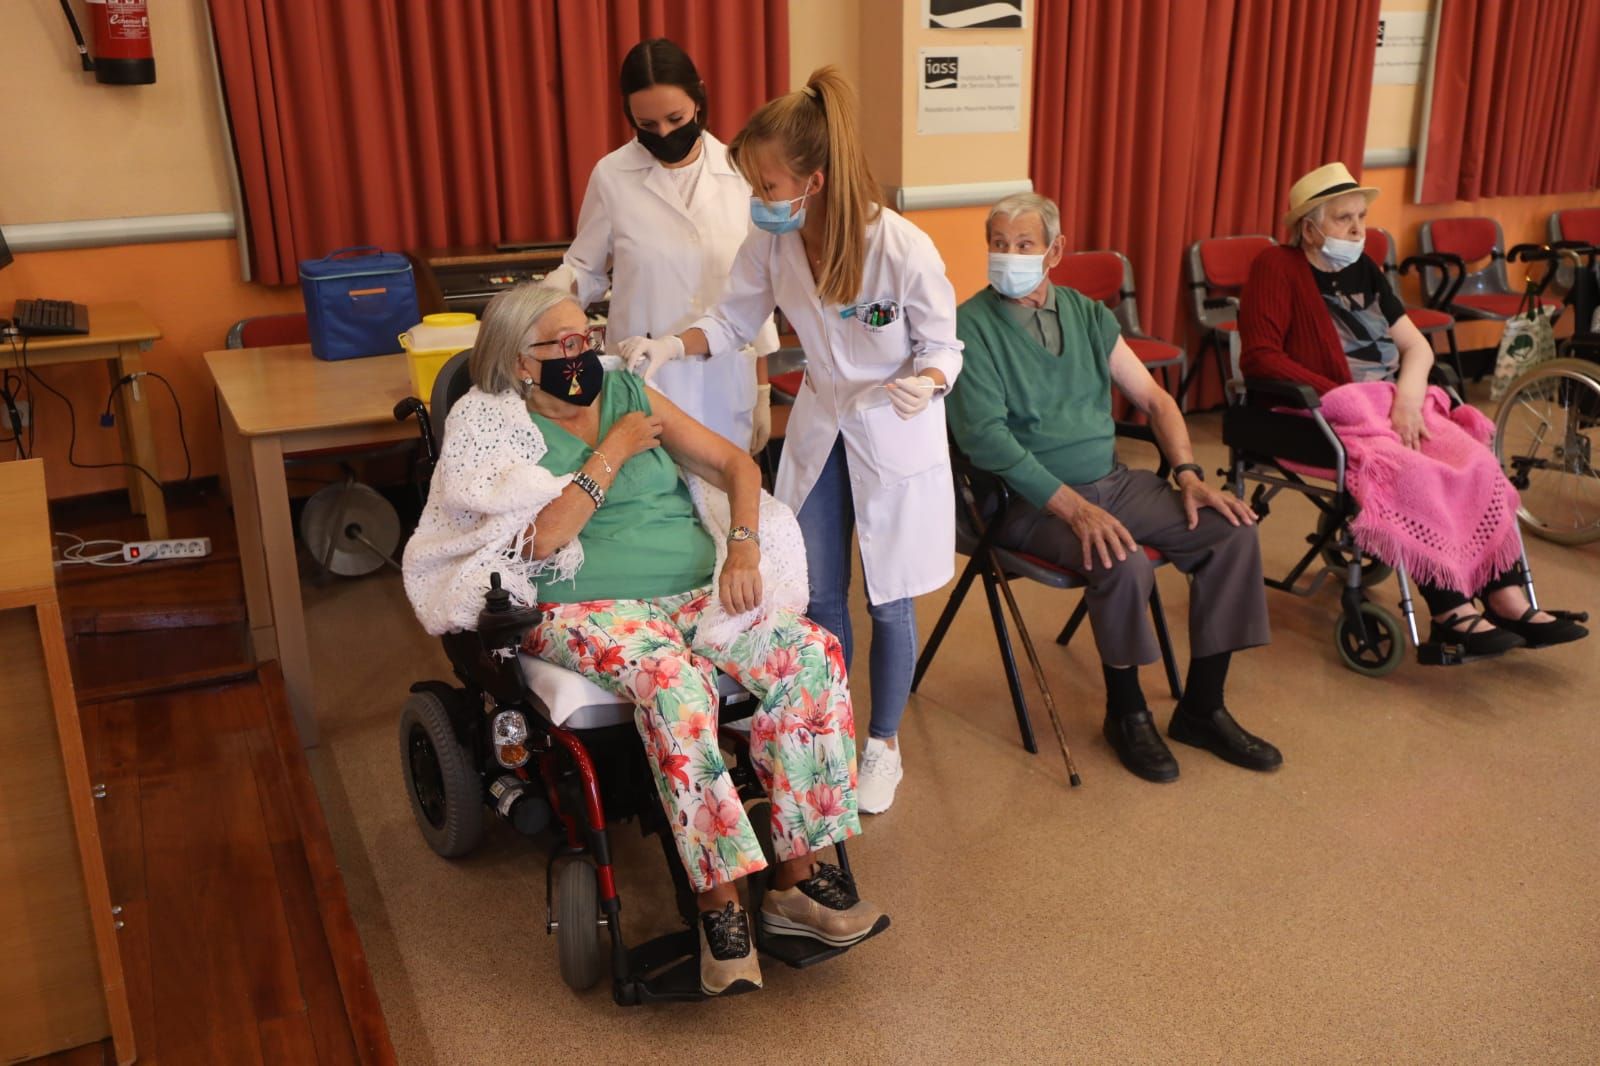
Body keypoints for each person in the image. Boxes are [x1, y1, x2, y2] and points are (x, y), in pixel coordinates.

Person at [401, 284, 883, 997]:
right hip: (587, 607)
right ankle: (720, 909)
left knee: (811, 654)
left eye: (586, 338)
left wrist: (744, 547)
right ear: (518, 363)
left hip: (696, 591)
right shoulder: (488, 423)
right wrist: (613, 453)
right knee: (675, 684)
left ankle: (794, 882)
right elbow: (540, 541)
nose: (582, 355)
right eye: (561, 346)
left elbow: (737, 465)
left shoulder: (629, 390)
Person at [615, 67, 963, 814]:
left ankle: (883, 745)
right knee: (817, 592)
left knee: (890, 598)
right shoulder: (773, 242)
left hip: (894, 431)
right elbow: (734, 321)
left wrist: (928, 380)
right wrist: (670, 346)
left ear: (816, 180)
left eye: (768, 186)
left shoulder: (899, 247)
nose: (758, 200)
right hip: (824, 424)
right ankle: (828, 727)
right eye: (753, 185)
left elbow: (946, 344)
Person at [947, 192, 1282, 784]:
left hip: (1113, 482)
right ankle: (1126, 713)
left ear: (1055, 251)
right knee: (1117, 555)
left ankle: (1203, 708)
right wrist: (1075, 510)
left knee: (1230, 531)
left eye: (1023, 245)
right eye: (997, 245)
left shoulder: (1086, 313)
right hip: (1023, 502)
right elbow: (988, 443)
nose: (1007, 257)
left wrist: (1187, 474)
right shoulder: (968, 326)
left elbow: (1153, 399)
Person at [1239, 161, 1588, 657]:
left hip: (1392, 404)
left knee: (1478, 463)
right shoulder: (1275, 267)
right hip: (1322, 412)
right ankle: (1450, 610)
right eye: (1344, 219)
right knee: (1415, 472)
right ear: (1309, 227)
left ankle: (1504, 595)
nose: (1359, 230)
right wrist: (1347, 395)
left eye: (1361, 217)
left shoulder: (1364, 269)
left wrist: (1404, 398)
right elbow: (1260, 357)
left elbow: (1417, 347)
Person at [544, 38, 779, 452]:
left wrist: (762, 389)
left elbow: (754, 294)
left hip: (725, 384)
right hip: (645, 385)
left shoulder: (740, 172)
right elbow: (586, 269)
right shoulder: (612, 176)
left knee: (726, 508)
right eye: (648, 126)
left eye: (675, 117)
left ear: (699, 100)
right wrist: (556, 292)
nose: (665, 133)